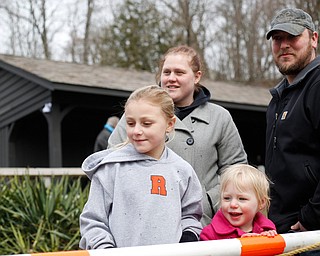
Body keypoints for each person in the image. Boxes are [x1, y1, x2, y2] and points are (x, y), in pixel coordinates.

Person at [108, 45, 247, 226]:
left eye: (179, 73)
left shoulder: (219, 117)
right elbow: (112, 157)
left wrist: (209, 201)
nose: (171, 79)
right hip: (145, 218)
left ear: (197, 76)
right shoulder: (137, 111)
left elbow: (237, 171)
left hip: (203, 223)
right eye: (166, 72)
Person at [79, 85, 203, 249]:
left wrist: (188, 239)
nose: (136, 130)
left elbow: (191, 216)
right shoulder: (110, 169)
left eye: (146, 123)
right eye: (130, 123)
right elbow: (93, 220)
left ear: (170, 124)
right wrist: (106, 250)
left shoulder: (183, 170)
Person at [265, 7, 320, 238]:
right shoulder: (279, 97)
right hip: (281, 230)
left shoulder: (317, 85)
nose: (284, 45)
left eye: (293, 37)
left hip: (309, 233)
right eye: (278, 39)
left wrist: (312, 216)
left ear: (314, 39)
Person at [200, 164, 277, 240]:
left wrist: (269, 240)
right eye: (227, 198)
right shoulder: (210, 235)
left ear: (261, 202)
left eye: (242, 199)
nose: (233, 204)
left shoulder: (267, 229)